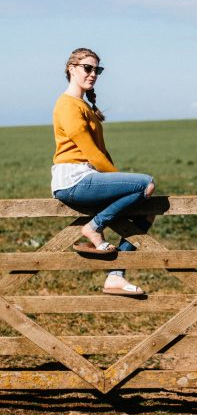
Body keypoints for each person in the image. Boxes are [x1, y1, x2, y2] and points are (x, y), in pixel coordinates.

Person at [51, 47, 155, 297]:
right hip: (74, 180)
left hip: (88, 178)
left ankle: (116, 276)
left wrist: (120, 182)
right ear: (71, 68)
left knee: (147, 211)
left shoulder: (83, 105)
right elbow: (92, 154)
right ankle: (93, 228)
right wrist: (128, 183)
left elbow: (102, 153)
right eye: (88, 68)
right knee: (145, 183)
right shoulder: (68, 106)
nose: (93, 73)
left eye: (97, 69)